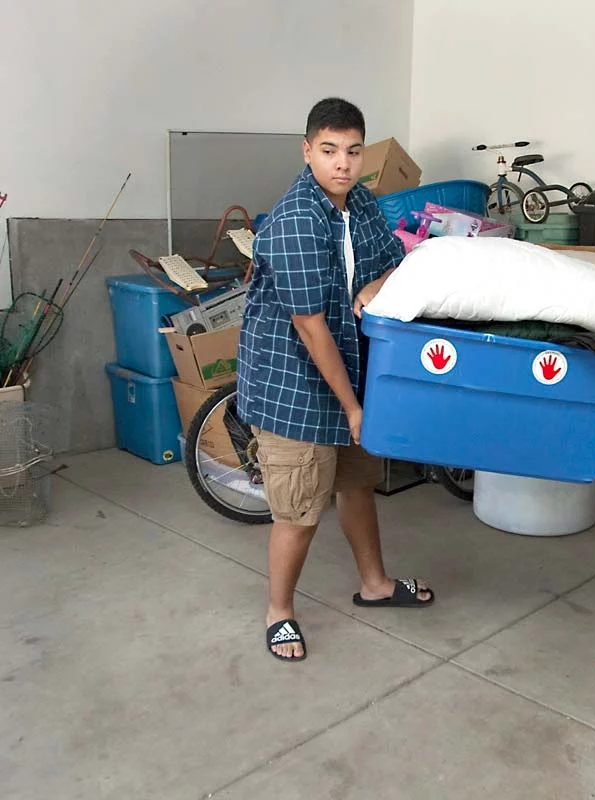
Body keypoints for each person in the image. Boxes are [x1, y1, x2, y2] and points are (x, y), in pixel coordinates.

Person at [238, 97, 434, 664]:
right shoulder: (296, 218)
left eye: (352, 152)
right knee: (299, 510)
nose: (342, 164)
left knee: (356, 484)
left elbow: (393, 260)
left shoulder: (362, 205)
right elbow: (309, 324)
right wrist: (353, 407)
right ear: (307, 151)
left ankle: (374, 583)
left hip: (348, 372)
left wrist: (375, 287)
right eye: (329, 151)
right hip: (295, 386)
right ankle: (279, 611)